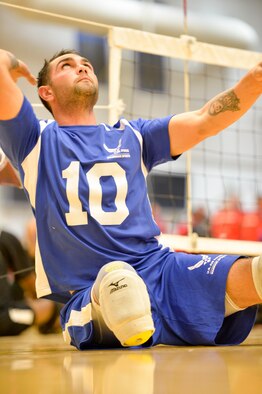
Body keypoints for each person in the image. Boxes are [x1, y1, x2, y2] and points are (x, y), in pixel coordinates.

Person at [0, 48, 262, 350]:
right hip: (91, 287)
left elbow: (205, 120)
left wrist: (254, 81)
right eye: (67, 66)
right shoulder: (34, 141)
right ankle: (120, 308)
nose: (82, 68)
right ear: (46, 92)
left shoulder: (134, 136)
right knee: (117, 284)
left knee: (253, 273)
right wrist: (17, 64)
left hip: (160, 270)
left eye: (86, 64)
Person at [0, 228, 60, 336]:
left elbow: (33, 288)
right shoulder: (6, 239)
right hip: (5, 318)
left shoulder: (6, 239)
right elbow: (33, 288)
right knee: (49, 306)